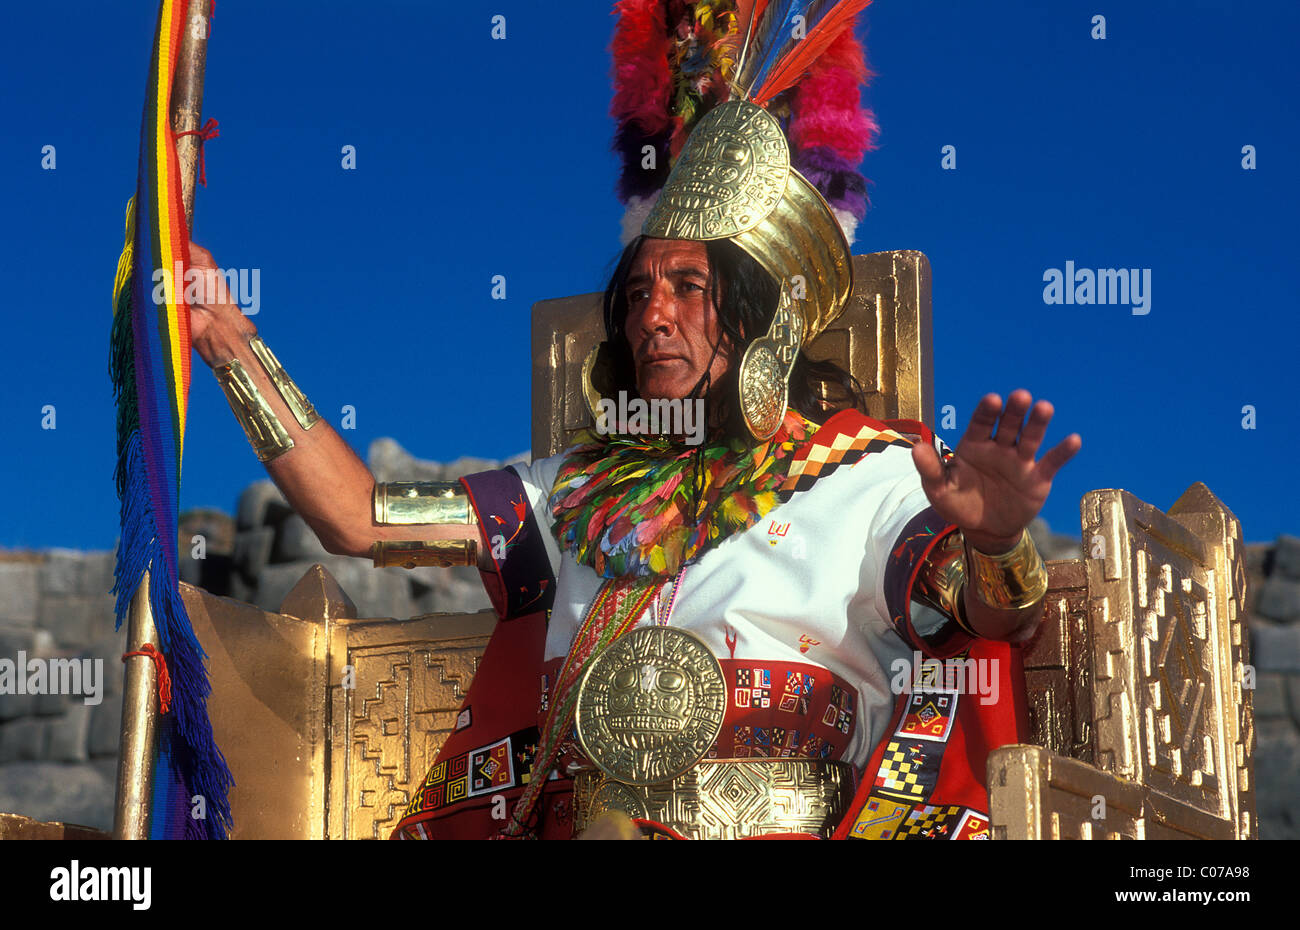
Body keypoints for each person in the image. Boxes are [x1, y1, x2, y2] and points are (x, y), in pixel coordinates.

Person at [186, 8, 1081, 840]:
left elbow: (989, 619)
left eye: (690, 288)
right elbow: (360, 519)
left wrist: (1002, 542)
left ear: (762, 318)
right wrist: (232, 345)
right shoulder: (572, 489)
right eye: (641, 291)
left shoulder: (871, 472)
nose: (654, 315)